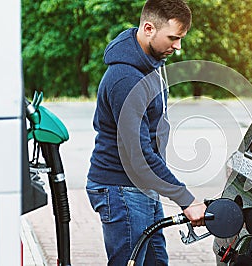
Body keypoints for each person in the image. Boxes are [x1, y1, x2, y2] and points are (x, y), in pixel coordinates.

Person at [86, 0, 206, 265]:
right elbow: (139, 154)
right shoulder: (126, 79)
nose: (178, 47)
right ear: (149, 28)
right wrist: (186, 199)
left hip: (141, 185)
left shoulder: (152, 61)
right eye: (173, 38)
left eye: (181, 38)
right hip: (121, 188)